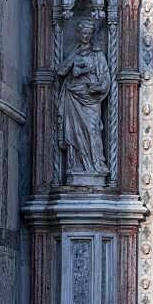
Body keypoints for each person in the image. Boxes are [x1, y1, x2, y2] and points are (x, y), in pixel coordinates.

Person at [57, 19, 111, 184]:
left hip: (91, 98)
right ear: (79, 34)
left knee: (93, 129)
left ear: (92, 34)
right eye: (83, 33)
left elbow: (106, 77)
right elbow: (60, 71)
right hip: (73, 96)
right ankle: (76, 166)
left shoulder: (98, 55)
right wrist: (73, 61)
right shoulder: (75, 54)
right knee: (74, 131)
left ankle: (97, 165)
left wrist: (98, 87)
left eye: (89, 33)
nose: (86, 36)